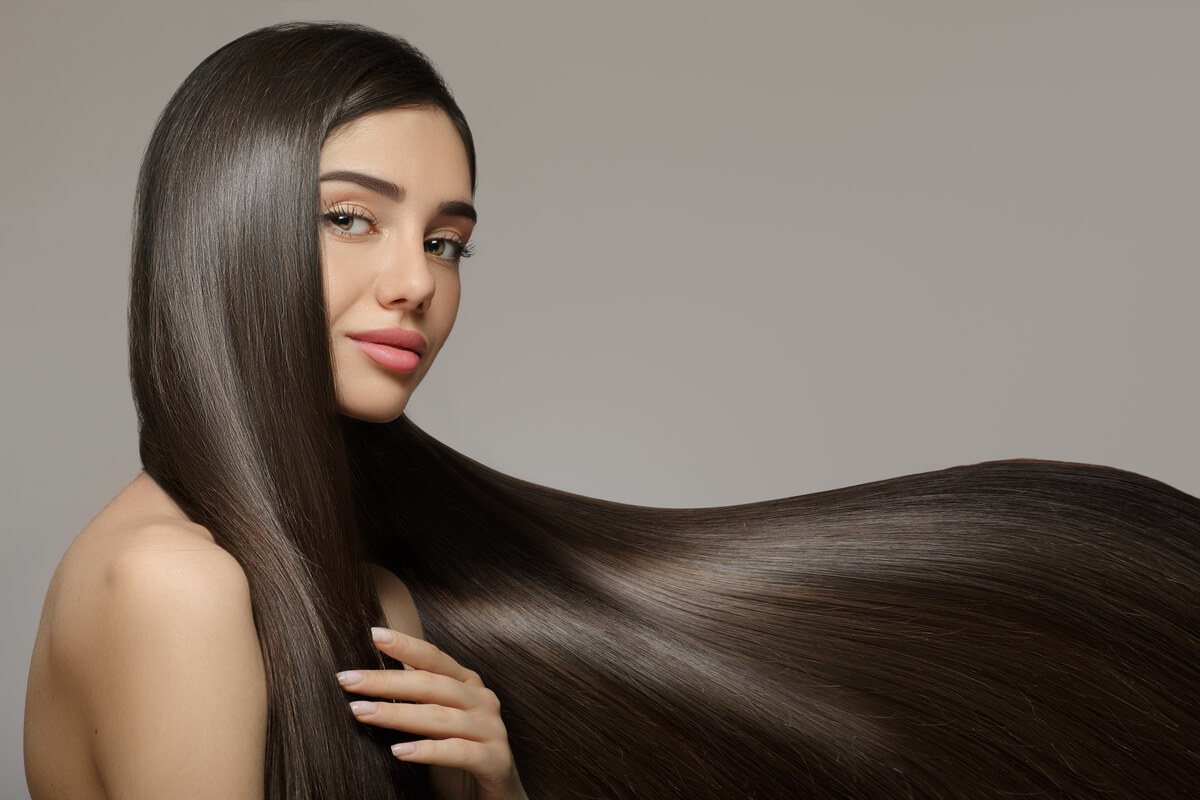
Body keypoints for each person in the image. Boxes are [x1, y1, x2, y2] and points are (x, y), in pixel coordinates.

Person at [24, 21, 1200, 800]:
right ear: (219, 229)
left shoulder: (359, 587)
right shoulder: (175, 587)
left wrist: (496, 788)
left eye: (448, 240)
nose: (416, 282)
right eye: (351, 218)